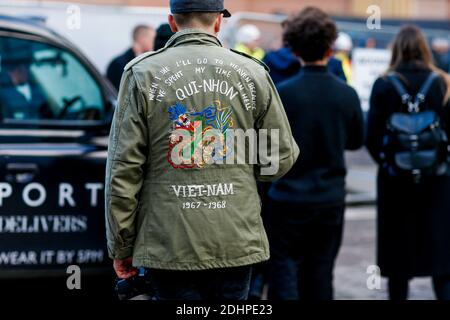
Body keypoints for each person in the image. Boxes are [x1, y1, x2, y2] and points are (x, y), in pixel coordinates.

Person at [105, 0, 299, 301]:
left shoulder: (142, 73)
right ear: (219, 22)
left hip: (168, 241)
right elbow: (279, 158)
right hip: (234, 239)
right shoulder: (252, 72)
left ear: (172, 22)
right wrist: (244, 168)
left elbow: (123, 170)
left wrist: (122, 245)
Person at [266, 7, 364, 300]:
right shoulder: (346, 94)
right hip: (329, 198)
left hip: (286, 198)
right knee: (321, 273)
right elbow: (357, 141)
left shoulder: (282, 92)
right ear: (330, 46)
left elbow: (267, 148)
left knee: (283, 272)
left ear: (294, 47)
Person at [366, 25, 450, 300]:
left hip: (394, 182)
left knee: (397, 254)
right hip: (437, 179)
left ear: (396, 50)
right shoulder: (442, 82)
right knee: (441, 252)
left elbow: (372, 136)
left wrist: (389, 163)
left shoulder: (384, 83)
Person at [106, 25, 155, 90]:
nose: (155, 41)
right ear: (142, 39)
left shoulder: (152, 60)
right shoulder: (117, 65)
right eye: (153, 38)